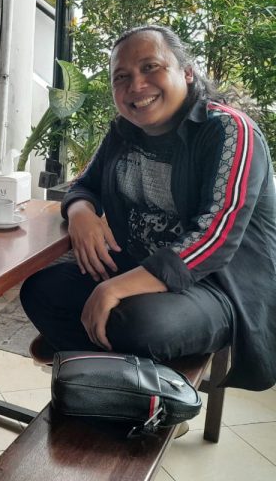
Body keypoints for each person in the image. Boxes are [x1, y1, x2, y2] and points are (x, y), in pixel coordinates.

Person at [20, 25, 276, 392]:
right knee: (41, 290)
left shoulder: (228, 130)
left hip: (216, 286)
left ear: (187, 72)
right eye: (121, 77)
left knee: (139, 324)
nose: (136, 85)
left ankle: (131, 385)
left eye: (150, 67)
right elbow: (84, 185)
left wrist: (113, 289)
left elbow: (214, 237)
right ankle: (112, 381)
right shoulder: (123, 131)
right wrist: (81, 214)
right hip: (137, 266)